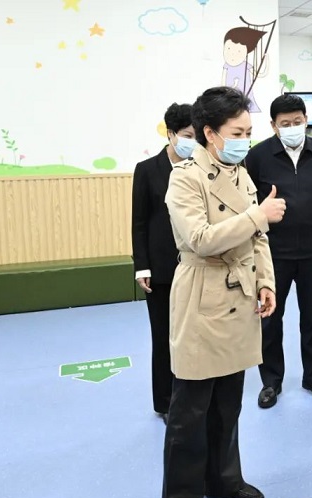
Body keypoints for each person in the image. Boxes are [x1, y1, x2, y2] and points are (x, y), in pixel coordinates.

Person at [161, 87, 287, 498]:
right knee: (190, 410)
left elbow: (258, 239)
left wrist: (266, 282)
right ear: (210, 134)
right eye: (237, 133)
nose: (245, 140)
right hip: (203, 293)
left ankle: (224, 478)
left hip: (241, 292)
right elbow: (199, 240)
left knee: (229, 403)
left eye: (249, 132)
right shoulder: (185, 177)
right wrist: (258, 216)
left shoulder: (241, 173)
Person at [245, 94, 312, 408]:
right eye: (285, 123)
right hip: (272, 252)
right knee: (271, 318)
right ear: (273, 125)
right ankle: (271, 381)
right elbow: (247, 201)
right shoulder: (257, 156)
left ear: (306, 120)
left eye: (297, 121)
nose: (293, 127)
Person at [132, 102, 195, 423]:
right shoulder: (147, 170)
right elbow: (139, 222)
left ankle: (192, 395)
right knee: (163, 337)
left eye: (197, 136)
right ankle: (166, 403)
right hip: (160, 269)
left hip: (196, 266)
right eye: (186, 135)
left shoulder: (200, 168)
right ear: (170, 134)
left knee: (193, 336)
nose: (192, 142)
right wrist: (142, 266)